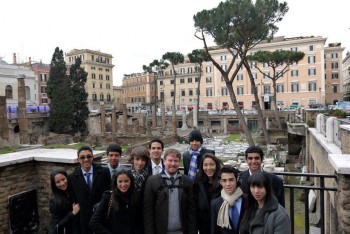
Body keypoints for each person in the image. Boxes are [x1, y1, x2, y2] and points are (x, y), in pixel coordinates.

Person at [143, 148, 197, 234]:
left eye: (176, 161)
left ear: (179, 163)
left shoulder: (187, 182)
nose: (173, 164)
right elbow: (148, 212)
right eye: (170, 160)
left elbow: (191, 211)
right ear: (164, 161)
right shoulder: (152, 181)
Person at [68, 145, 111, 234]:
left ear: (93, 157)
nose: (86, 159)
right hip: (84, 220)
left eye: (89, 156)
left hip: (102, 217)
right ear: (78, 159)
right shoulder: (72, 178)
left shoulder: (104, 172)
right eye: (82, 157)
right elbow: (74, 201)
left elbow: (109, 194)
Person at [211, 166, 245, 234]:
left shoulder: (248, 200)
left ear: (237, 179)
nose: (228, 184)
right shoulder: (215, 204)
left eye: (231, 180)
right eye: (224, 180)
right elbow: (215, 230)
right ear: (220, 182)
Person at [194, 153, 223, 234]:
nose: (208, 168)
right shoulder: (198, 183)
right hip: (204, 225)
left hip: (220, 225)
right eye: (205, 165)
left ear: (216, 165)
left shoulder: (223, 183)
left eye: (212, 164)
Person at [49, 170, 80, 234]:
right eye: (58, 182)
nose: (62, 183)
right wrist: (73, 213)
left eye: (63, 179)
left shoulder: (73, 191)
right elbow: (57, 226)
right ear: (54, 184)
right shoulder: (53, 201)